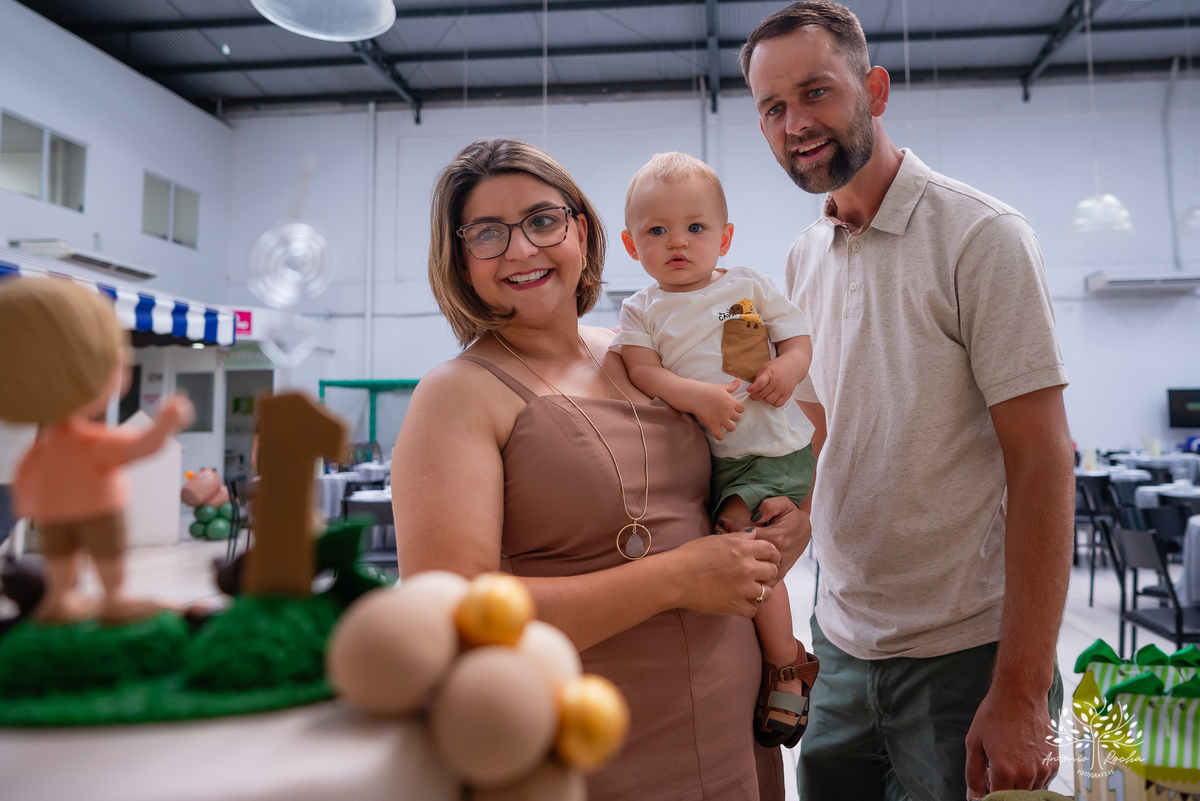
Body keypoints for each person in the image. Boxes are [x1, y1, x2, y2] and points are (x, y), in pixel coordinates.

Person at [392, 138, 811, 800]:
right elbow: (451, 617)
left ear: (580, 230)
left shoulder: (640, 351)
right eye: (487, 233)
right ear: (461, 259)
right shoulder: (457, 393)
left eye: (541, 220)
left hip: (731, 729)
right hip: (591, 745)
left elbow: (763, 431)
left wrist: (790, 524)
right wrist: (672, 578)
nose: (522, 250)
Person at [740, 3, 1075, 800]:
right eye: (773, 108)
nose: (796, 123)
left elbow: (1043, 461)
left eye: (817, 92)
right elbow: (815, 426)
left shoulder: (979, 235)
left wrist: (1023, 690)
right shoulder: (802, 255)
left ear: (875, 90)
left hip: (968, 654)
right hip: (843, 645)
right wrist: (777, 528)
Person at [611, 151, 819, 748]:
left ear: (724, 236)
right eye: (657, 231)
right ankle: (773, 660)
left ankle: (786, 666)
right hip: (718, 460)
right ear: (631, 245)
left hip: (772, 450)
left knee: (742, 546)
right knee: (735, 548)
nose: (678, 241)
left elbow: (798, 337)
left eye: (696, 228)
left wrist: (787, 367)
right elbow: (644, 371)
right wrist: (696, 397)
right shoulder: (641, 309)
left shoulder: (746, 286)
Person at [0, 278, 194, 624]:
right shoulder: (85, 441)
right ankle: (90, 597)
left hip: (58, 514)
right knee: (82, 554)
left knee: (67, 554)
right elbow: (139, 447)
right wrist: (164, 425)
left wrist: (27, 504)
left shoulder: (53, 444)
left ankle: (78, 596)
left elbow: (25, 476)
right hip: (92, 512)